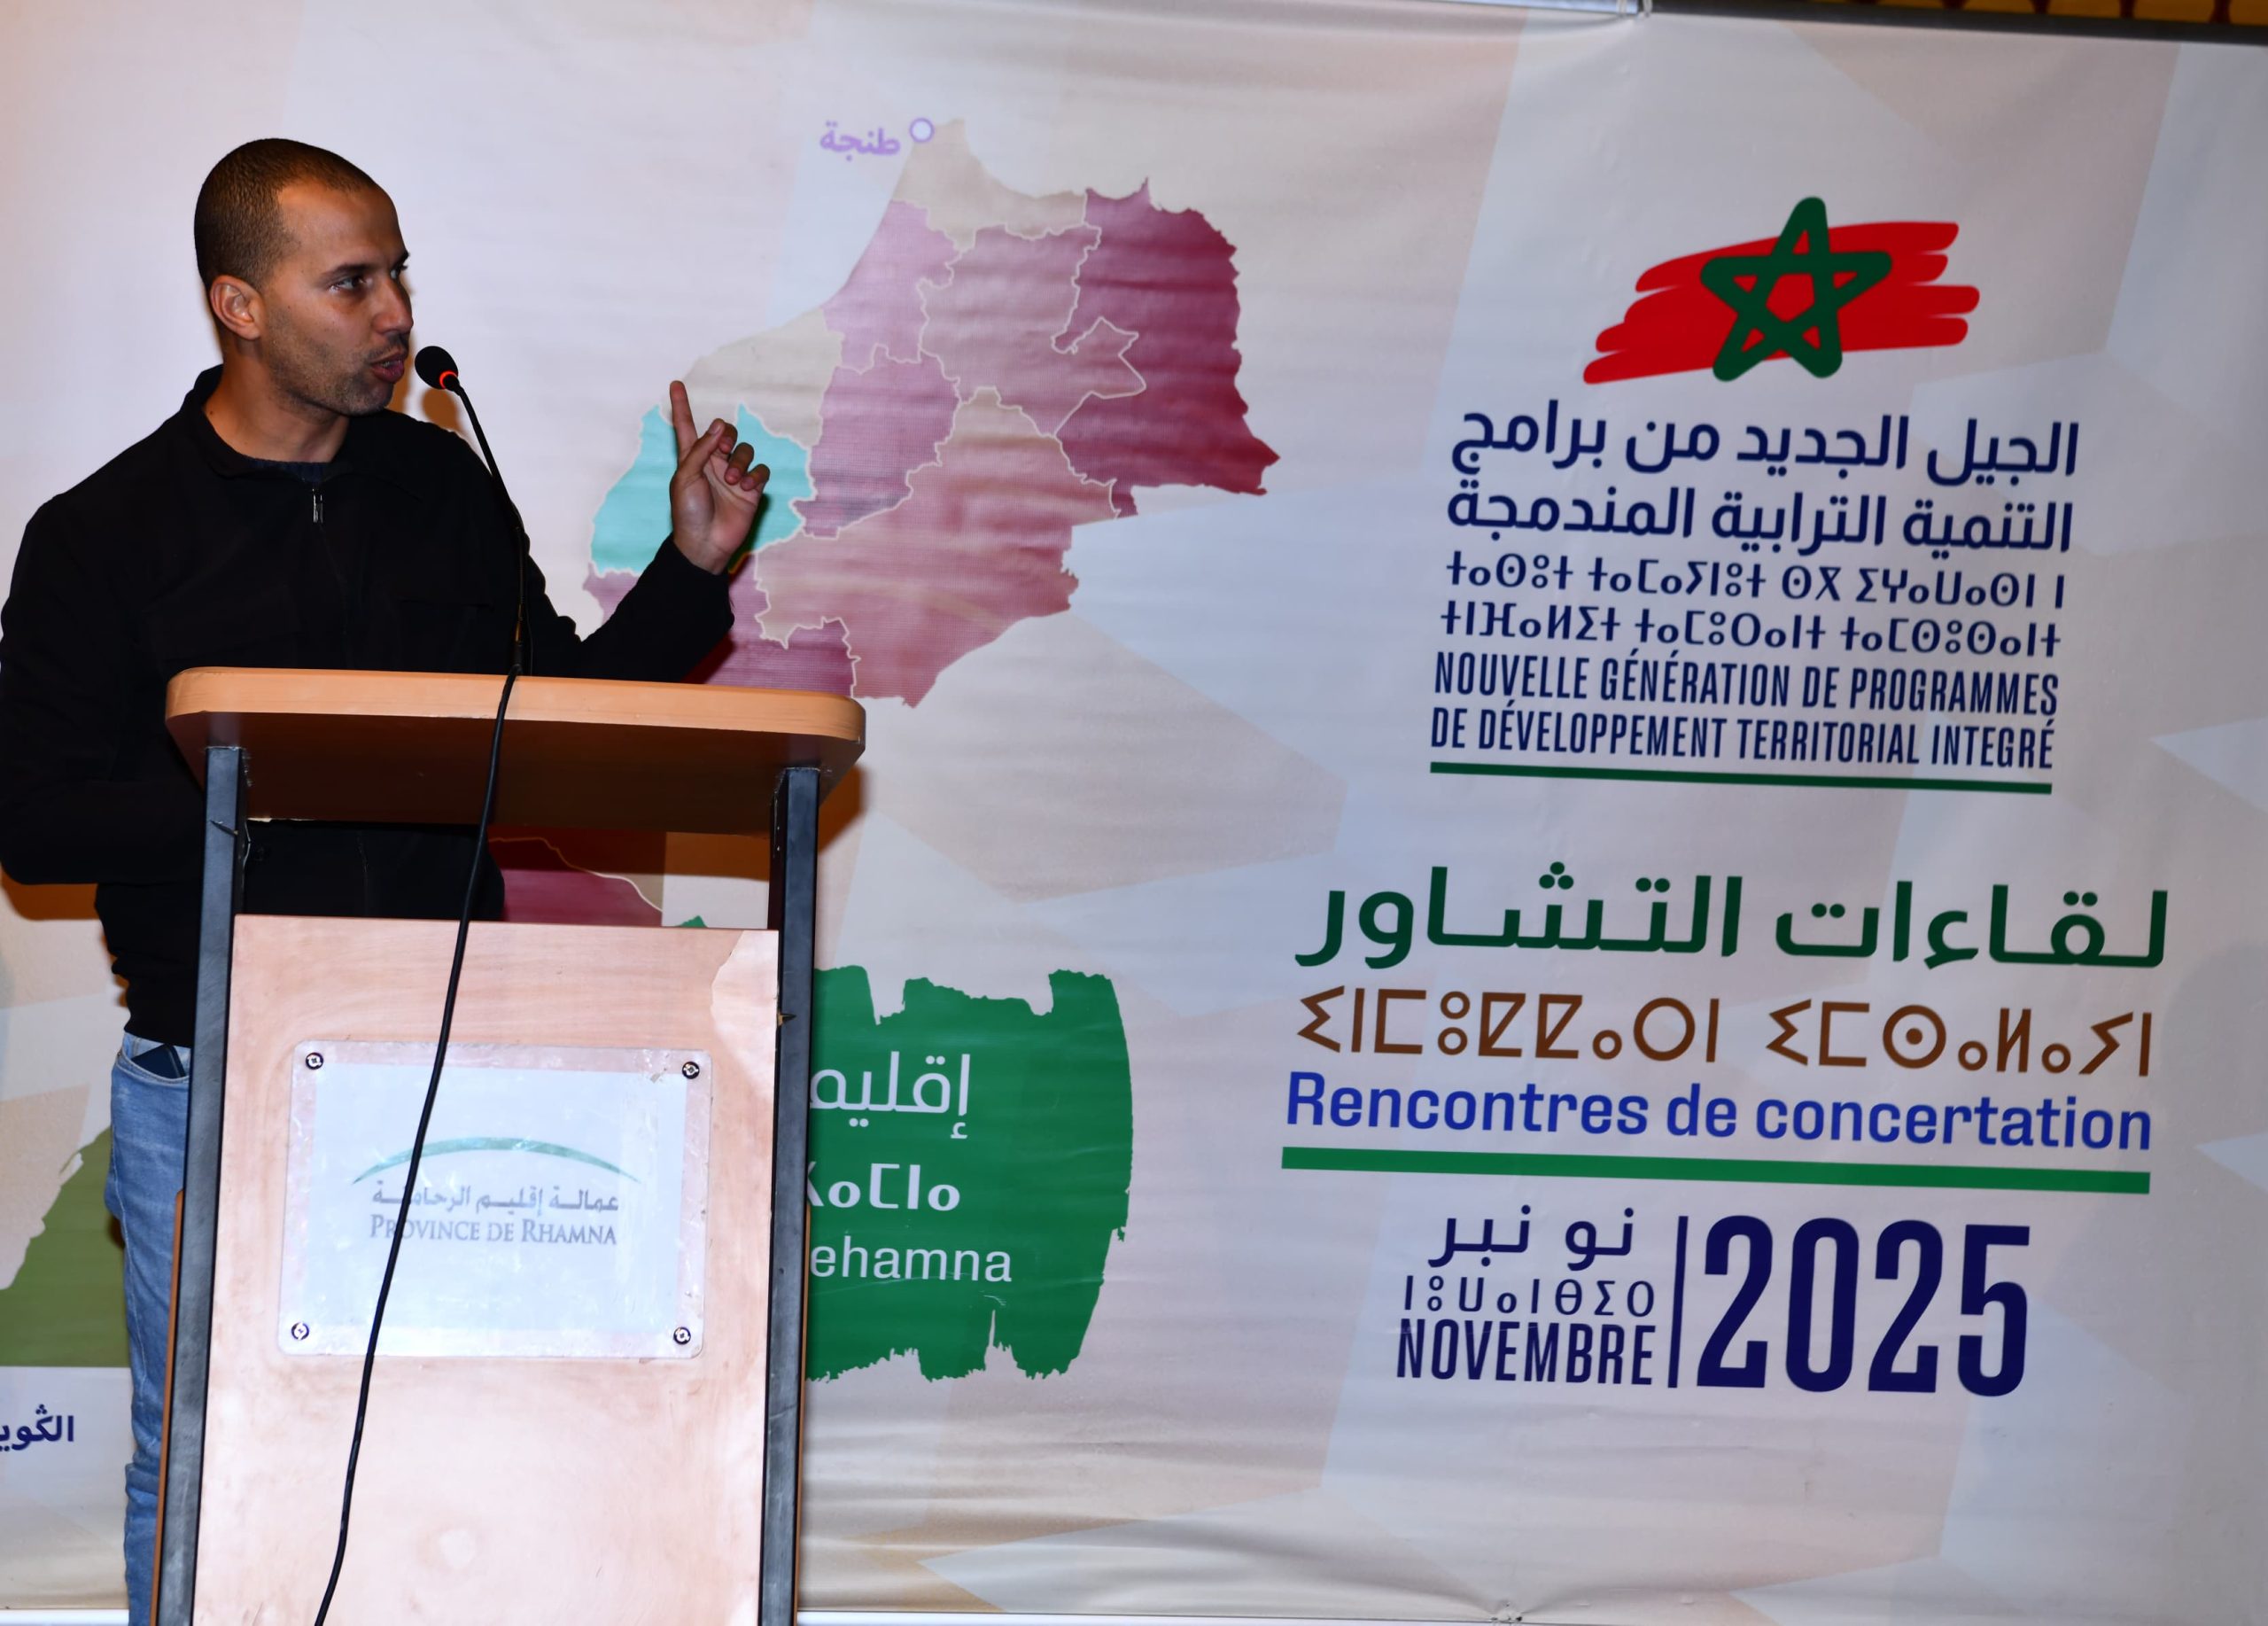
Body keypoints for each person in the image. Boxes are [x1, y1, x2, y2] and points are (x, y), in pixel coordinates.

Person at [0, 138, 770, 1623]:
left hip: (450, 1068)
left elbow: (551, 718)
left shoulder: (440, 488)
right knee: (206, 1454)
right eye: (350, 283)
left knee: (448, 1445)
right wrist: (256, 784)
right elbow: (33, 823)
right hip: (216, 1072)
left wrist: (691, 572)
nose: (396, 313)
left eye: (398, 273)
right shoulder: (103, 534)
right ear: (239, 304)